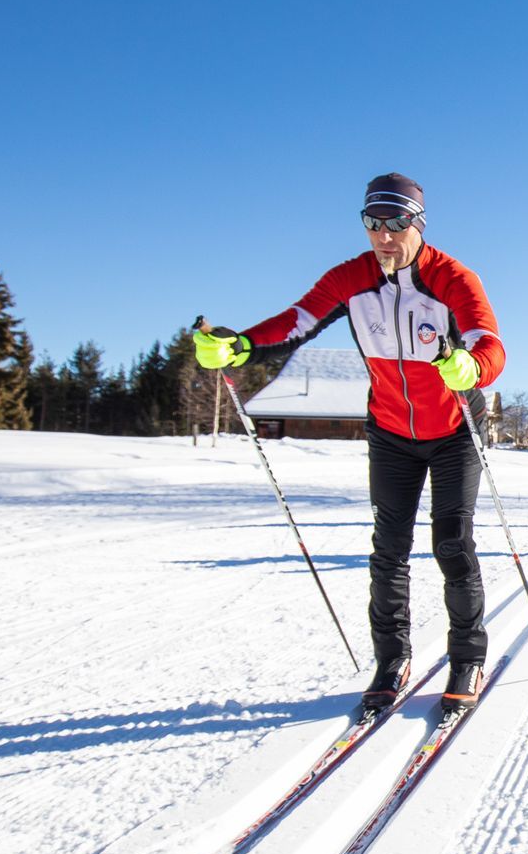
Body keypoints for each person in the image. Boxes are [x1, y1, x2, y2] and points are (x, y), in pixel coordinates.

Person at [193, 173, 506, 722]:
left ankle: (466, 660)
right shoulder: (351, 278)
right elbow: (298, 320)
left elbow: (488, 339)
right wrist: (240, 345)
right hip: (390, 431)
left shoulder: (451, 277)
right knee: (389, 551)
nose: (384, 235)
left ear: (419, 223)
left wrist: (473, 367)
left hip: (455, 428)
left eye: (397, 222)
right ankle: (392, 662)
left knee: (452, 545)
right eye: (373, 223)